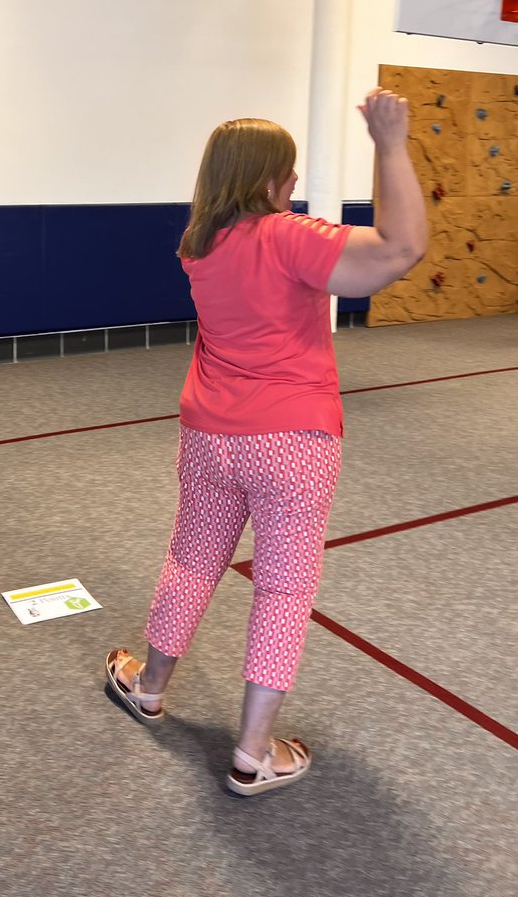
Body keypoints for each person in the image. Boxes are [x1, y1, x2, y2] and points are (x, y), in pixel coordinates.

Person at [105, 87, 427, 796]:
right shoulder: (288, 235)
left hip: (209, 435)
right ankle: (253, 752)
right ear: (268, 179)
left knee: (191, 563)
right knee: (283, 590)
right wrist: (390, 144)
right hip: (291, 441)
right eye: (288, 172)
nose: (293, 185)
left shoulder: (199, 244)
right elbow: (401, 248)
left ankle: (148, 685)